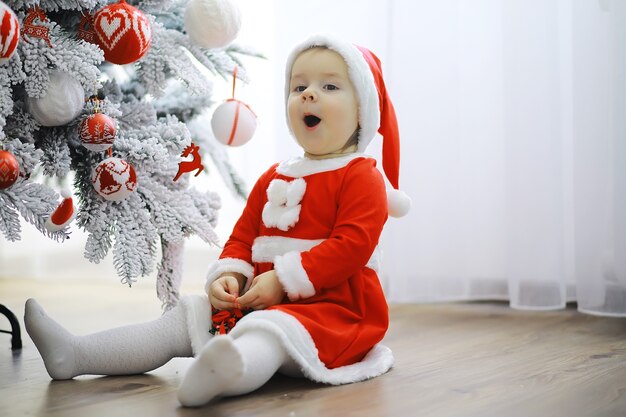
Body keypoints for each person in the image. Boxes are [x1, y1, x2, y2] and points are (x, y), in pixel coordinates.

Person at [24, 33, 410, 407]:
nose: (309, 94)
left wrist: (284, 280)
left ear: (363, 110)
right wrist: (230, 274)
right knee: (183, 321)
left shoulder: (362, 176)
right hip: (260, 302)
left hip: (334, 314)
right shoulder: (275, 176)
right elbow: (243, 237)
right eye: (299, 86)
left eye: (330, 87)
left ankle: (221, 377)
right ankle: (75, 354)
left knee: (267, 336)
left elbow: (352, 247)